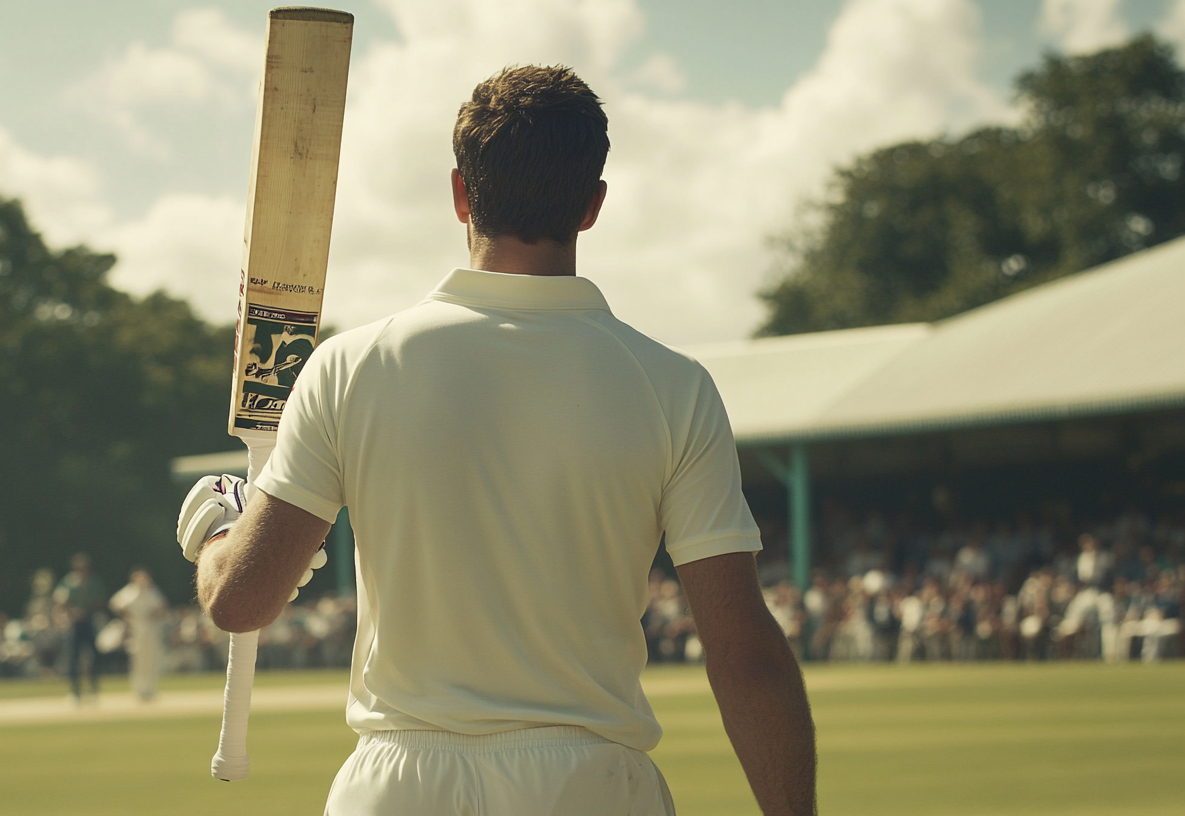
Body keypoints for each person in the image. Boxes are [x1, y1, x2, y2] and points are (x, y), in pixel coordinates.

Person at [188, 65, 816, 815]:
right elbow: (744, 656)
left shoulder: (351, 365)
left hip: (397, 787)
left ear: (461, 194)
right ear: (592, 206)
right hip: (592, 786)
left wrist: (226, 530)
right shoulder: (673, 386)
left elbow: (240, 601)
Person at [109, 566, 169, 701]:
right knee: (138, 660)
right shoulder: (129, 592)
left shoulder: (152, 591)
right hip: (136, 630)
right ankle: (140, 690)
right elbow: (115, 604)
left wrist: (155, 615)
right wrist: (127, 617)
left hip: (152, 629)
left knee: (152, 659)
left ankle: (151, 689)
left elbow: (162, 606)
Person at [54, 552, 106, 704]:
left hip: (89, 622)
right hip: (74, 624)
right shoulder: (69, 582)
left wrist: (89, 608)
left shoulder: (93, 582)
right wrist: (74, 611)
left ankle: (93, 690)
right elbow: (60, 600)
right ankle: (75, 692)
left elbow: (100, 600)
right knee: (73, 659)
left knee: (94, 657)